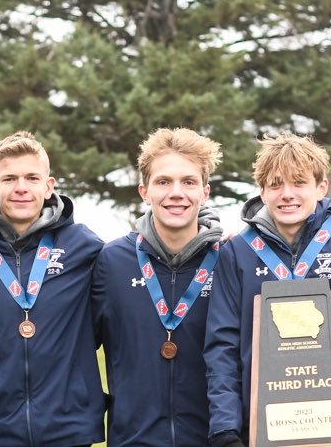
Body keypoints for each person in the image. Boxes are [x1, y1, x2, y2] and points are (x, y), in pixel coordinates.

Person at [204, 133, 331, 447]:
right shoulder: (236, 253)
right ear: (262, 191)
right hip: (260, 432)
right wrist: (226, 431)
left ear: (321, 187)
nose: (287, 194)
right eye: (276, 184)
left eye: (299, 182)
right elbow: (222, 348)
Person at [0, 131, 106, 445]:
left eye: (31, 177)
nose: (21, 188)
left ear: (49, 186)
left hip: (67, 429)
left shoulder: (85, 247)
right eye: (10, 178)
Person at [90, 128, 224, 446]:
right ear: (144, 191)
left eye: (188, 182)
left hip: (215, 439)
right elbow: (74, 353)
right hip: (133, 439)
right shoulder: (111, 262)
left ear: (205, 192)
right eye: (163, 182)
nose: (176, 193)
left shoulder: (229, 261)